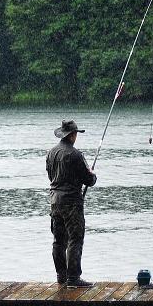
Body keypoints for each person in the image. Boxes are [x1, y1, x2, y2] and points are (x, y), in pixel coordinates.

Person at [46, 119, 97, 287]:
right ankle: (73, 278)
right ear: (73, 135)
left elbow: (51, 176)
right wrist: (92, 175)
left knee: (58, 240)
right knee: (75, 238)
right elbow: (89, 180)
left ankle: (61, 275)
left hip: (54, 201)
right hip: (71, 204)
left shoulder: (51, 153)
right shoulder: (75, 155)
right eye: (76, 134)